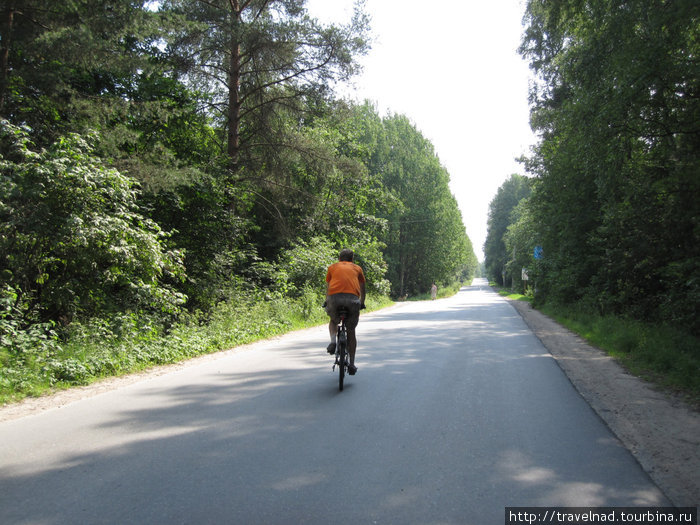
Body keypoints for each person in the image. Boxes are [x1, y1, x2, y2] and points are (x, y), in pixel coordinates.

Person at [324, 249, 366, 375]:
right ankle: (352, 364)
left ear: (339, 259)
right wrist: (362, 302)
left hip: (334, 299)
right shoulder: (357, 268)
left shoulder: (332, 267)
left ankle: (333, 341)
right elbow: (363, 288)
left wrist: (327, 301)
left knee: (333, 321)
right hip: (352, 300)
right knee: (351, 331)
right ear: (352, 259)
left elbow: (328, 287)